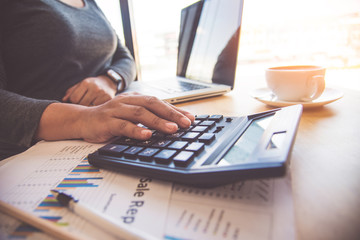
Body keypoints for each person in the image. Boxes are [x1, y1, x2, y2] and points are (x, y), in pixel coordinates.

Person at [0, 0, 194, 160]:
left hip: (101, 128)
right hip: (33, 147)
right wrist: (84, 118)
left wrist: (109, 80)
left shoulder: (90, 3)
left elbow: (124, 56)